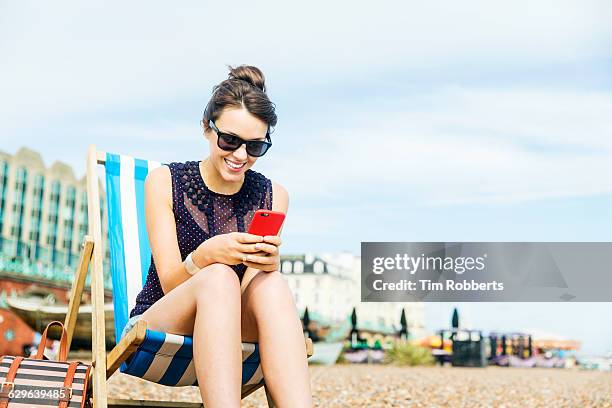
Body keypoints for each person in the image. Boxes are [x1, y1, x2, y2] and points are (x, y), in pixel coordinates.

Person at [119, 65, 313, 407]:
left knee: (273, 283)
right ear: (207, 129)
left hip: (229, 325)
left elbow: (249, 297)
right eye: (230, 141)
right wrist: (206, 256)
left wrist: (265, 265)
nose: (241, 156)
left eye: (255, 147)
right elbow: (168, 283)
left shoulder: (273, 195)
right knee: (218, 277)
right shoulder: (165, 181)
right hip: (161, 322)